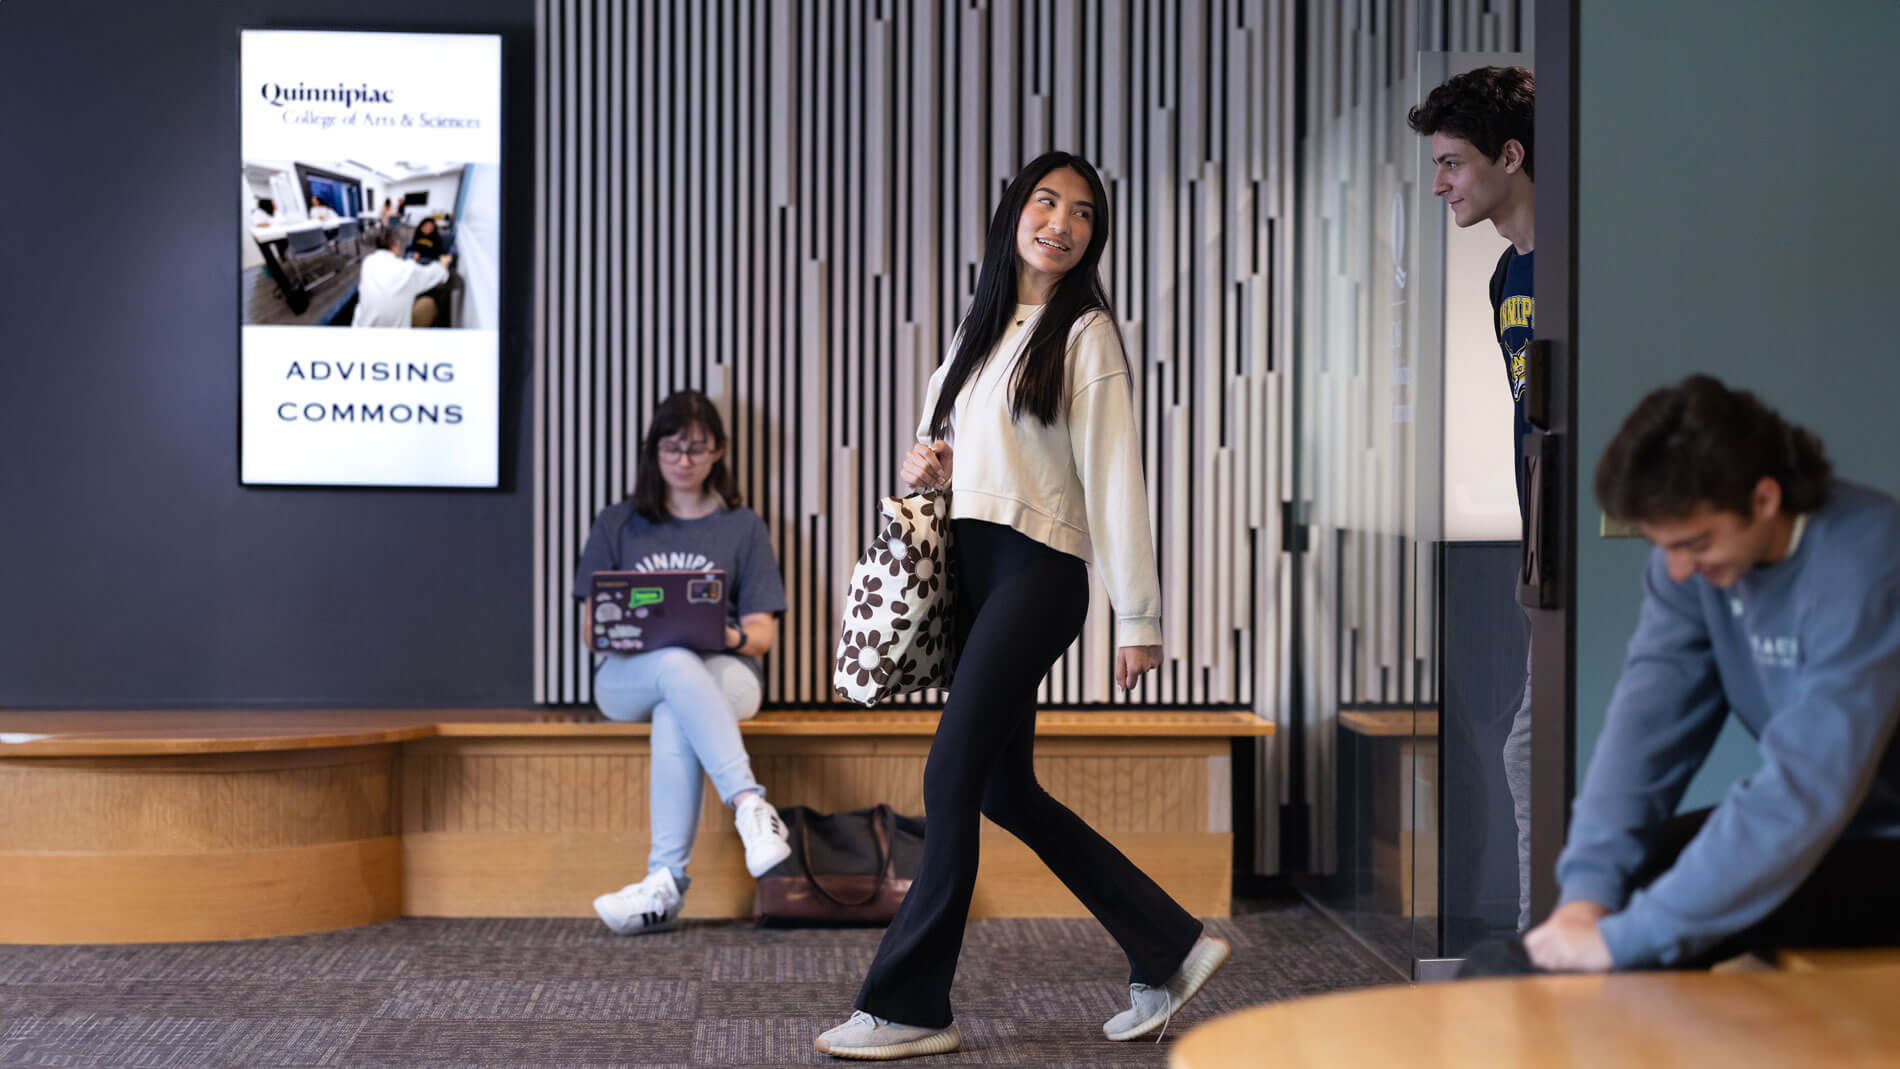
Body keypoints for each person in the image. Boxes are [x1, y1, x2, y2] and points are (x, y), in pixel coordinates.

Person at [815, 152, 1229, 1061]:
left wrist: (1140, 615)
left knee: (950, 774)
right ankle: (1169, 944)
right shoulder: (977, 333)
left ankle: (910, 1000)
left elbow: (1117, 480)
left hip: (1039, 576)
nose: (1061, 223)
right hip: (977, 573)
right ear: (1014, 214)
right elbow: (957, 462)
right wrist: (925, 469)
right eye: (1047, 202)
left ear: (1092, 237)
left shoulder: (1085, 334)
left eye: (1082, 213)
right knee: (1004, 787)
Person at [1465, 375, 1900, 975]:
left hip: (1876, 840)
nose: (1675, 570)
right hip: (1837, 828)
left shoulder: (1868, 560)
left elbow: (1806, 785)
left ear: (1765, 499)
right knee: (1634, 877)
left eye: (1695, 543)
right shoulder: (1693, 577)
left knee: (1662, 915)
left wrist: (1617, 942)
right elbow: (1643, 736)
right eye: (1662, 547)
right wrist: (1583, 899)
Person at [573, 389, 793, 936]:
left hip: (727, 675)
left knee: (678, 704)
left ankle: (664, 884)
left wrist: (724, 633)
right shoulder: (618, 523)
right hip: (629, 678)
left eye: (698, 449)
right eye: (673, 449)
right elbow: (591, 631)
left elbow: (763, 635)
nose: (685, 461)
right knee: (673, 664)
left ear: (718, 451)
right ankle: (750, 806)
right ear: (654, 452)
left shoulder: (742, 526)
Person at [1407, 64, 1537, 931]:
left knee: (1529, 749)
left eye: (1453, 162)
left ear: (1512, 155)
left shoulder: (1577, 262)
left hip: (1595, 548)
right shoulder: (1505, 278)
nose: (1442, 182)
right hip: (1544, 548)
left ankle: (1544, 945)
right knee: (1529, 750)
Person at [351, 229, 452, 328]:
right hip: (397, 335)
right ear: (395, 246)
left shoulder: (368, 262)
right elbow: (434, 274)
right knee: (428, 304)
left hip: (362, 329)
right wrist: (443, 263)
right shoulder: (407, 269)